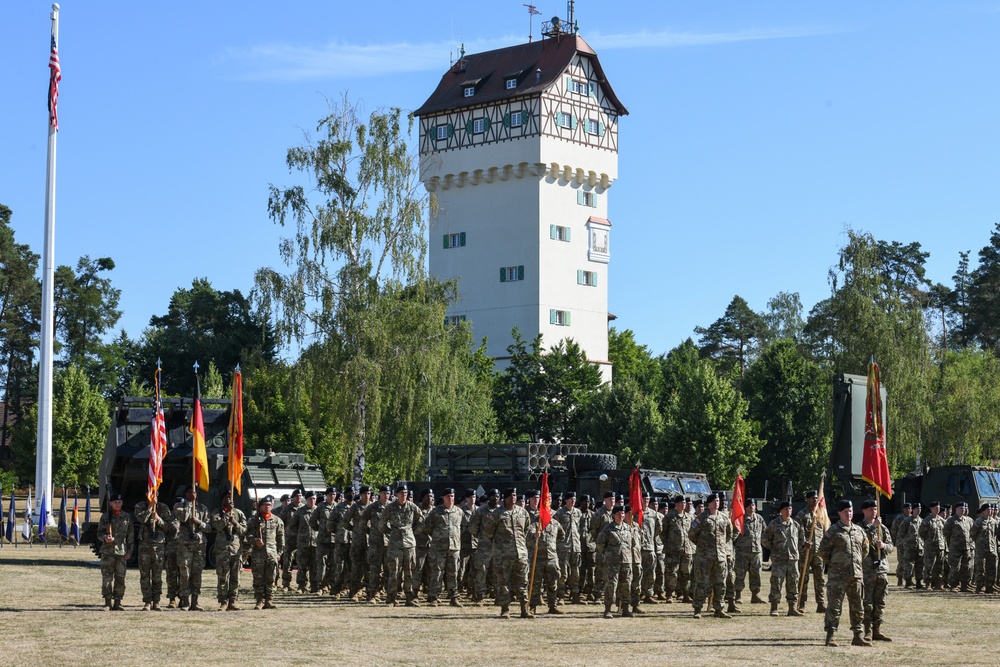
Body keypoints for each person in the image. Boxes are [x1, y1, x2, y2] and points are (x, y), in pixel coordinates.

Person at [817, 499, 870, 647]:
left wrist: (855, 563)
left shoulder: (859, 531)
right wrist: (836, 564)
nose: (849, 514)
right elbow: (823, 552)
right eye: (846, 511)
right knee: (834, 606)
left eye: (851, 511)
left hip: (856, 575)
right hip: (837, 577)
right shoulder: (833, 531)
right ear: (840, 513)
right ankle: (831, 635)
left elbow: (864, 551)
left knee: (857, 606)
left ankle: (858, 635)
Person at [484, 487, 531, 618]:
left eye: (515, 495)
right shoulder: (496, 514)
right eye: (510, 496)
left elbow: (525, 530)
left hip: (520, 553)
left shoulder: (523, 513)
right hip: (502, 554)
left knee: (523, 582)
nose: (513, 498)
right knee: (503, 582)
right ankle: (505, 609)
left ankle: (524, 609)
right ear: (505, 498)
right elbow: (488, 532)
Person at [688, 492, 733, 619]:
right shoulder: (701, 518)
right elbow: (692, 534)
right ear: (709, 503)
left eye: (718, 501)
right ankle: (698, 609)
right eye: (714, 501)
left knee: (720, 584)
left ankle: (719, 609)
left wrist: (721, 547)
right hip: (704, 557)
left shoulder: (724, 518)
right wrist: (703, 547)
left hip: (720, 557)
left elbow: (729, 534)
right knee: (701, 583)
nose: (717, 503)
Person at [381, 484, 423, 607]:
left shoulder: (413, 507)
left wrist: (411, 532)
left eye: (406, 493)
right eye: (402, 493)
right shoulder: (390, 508)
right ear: (397, 494)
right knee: (394, 571)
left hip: (409, 543)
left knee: (410, 571)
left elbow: (421, 522)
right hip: (395, 543)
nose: (404, 495)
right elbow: (381, 524)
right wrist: (391, 533)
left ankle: (410, 598)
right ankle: (391, 598)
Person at [760, 501, 804, 617]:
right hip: (779, 560)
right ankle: (774, 607)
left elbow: (801, 540)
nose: (788, 511)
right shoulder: (774, 524)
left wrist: (794, 550)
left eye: (790, 508)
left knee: (793, 583)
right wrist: (775, 549)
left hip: (793, 559)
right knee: (776, 583)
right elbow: (765, 539)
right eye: (786, 509)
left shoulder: (796, 525)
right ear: (781, 510)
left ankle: (792, 608)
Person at [424, 487, 465, 606]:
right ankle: (433, 597)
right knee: (437, 572)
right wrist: (438, 537)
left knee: (453, 573)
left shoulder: (459, 511)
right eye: (448, 496)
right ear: (443, 498)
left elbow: (462, 527)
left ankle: (454, 597)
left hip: (454, 547)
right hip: (438, 548)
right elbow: (427, 527)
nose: (451, 498)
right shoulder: (436, 512)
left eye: (452, 496)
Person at [526, 489, 565, 615]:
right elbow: (528, 535)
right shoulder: (534, 523)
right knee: (536, 583)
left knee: (553, 583)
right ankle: (532, 606)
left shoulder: (555, 524)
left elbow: (561, 536)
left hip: (552, 558)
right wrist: (535, 535)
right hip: (538, 557)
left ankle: (552, 606)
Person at [134, 491, 174, 611]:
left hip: (158, 546)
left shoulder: (163, 508)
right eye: (151, 492)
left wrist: (159, 519)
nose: (153, 495)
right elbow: (141, 519)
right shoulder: (140, 506)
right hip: (144, 545)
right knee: (145, 575)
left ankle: (156, 601)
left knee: (157, 576)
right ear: (146, 493)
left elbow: (169, 527)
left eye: (155, 493)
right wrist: (150, 506)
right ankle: (147, 601)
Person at [859, 499, 893, 642]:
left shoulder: (883, 528)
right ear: (864, 511)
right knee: (867, 603)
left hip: (881, 570)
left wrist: (884, 546)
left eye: (875, 509)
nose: (873, 512)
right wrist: (872, 528)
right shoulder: (859, 527)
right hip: (867, 570)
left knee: (880, 602)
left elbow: (891, 546)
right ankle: (867, 631)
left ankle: (877, 630)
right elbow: (859, 544)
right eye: (870, 509)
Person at [209, 489, 247, 611]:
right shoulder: (216, 513)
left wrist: (235, 522)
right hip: (222, 550)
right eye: (226, 497)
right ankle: (223, 601)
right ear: (222, 500)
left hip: (236, 549)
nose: (229, 500)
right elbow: (218, 526)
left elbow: (244, 531)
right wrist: (226, 515)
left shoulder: (239, 513)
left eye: (230, 497)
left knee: (235, 577)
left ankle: (233, 601)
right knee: (223, 577)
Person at [173, 485, 210, 611]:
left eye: (194, 492)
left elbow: (209, 528)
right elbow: (182, 517)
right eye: (190, 492)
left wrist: (200, 522)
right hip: (185, 545)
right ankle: (185, 601)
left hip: (199, 545)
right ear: (186, 495)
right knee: (185, 573)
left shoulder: (203, 509)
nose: (192, 494)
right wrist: (189, 504)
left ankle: (195, 601)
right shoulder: (179, 506)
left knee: (197, 573)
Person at [98, 492, 134, 611]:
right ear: (110, 503)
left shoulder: (127, 517)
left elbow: (130, 536)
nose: (117, 504)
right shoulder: (105, 517)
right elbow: (99, 533)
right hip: (108, 552)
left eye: (119, 502)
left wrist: (129, 552)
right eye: (115, 502)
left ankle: (118, 602)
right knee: (107, 578)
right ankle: (107, 602)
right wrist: (105, 538)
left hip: (121, 552)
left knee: (120, 578)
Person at [596, 505, 634, 618]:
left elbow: (633, 544)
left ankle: (625, 608)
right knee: (611, 585)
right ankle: (608, 609)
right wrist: (608, 555)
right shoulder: (608, 529)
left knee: (626, 584)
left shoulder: (628, 528)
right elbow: (600, 544)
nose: (621, 515)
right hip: (612, 562)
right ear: (613, 515)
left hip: (626, 561)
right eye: (618, 513)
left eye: (622, 513)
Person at [247, 495, 284, 609]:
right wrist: (255, 540)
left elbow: (281, 538)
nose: (267, 507)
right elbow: (248, 535)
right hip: (258, 554)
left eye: (269, 505)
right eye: (265, 505)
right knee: (258, 578)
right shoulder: (254, 520)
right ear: (261, 506)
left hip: (272, 554)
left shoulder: (277, 520)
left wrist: (279, 554)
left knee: (271, 578)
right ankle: (259, 601)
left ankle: (269, 600)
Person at [795, 490, 827, 613]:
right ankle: (801, 603)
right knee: (804, 577)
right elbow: (799, 531)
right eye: (813, 498)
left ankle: (821, 603)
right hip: (806, 552)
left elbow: (825, 531)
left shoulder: (821, 514)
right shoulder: (802, 515)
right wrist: (804, 543)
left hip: (818, 552)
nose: (815, 500)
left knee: (820, 578)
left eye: (816, 498)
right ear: (807, 499)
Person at [468, 489, 499, 604]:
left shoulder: (501, 511)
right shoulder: (481, 511)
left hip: (498, 547)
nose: (495, 498)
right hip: (484, 547)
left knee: (497, 572)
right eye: (493, 496)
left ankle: (497, 594)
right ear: (489, 497)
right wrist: (482, 536)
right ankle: (479, 595)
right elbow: (472, 527)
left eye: (497, 496)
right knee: (481, 570)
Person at [554, 491, 585, 604]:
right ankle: (561, 595)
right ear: (566, 500)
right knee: (563, 573)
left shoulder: (578, 513)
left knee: (575, 573)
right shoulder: (560, 513)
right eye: (571, 499)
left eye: (575, 499)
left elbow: (581, 528)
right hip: (563, 547)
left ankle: (575, 594)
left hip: (576, 547)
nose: (573, 501)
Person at [360, 485, 390, 603]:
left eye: (388, 493)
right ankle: (373, 594)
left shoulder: (393, 507)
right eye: (384, 493)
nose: (386, 495)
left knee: (389, 570)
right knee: (374, 570)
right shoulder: (372, 508)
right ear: (379, 494)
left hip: (389, 543)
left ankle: (389, 595)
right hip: (375, 543)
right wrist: (371, 532)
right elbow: (362, 523)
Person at [662, 495, 693, 603]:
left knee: (686, 573)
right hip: (673, 550)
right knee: (672, 573)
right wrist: (668, 545)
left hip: (687, 550)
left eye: (684, 503)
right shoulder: (669, 517)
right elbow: (663, 533)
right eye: (680, 503)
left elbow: (693, 532)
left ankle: (685, 594)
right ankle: (669, 594)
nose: (683, 505)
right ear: (676, 504)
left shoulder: (690, 517)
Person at [734, 497, 765, 605]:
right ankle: (738, 595)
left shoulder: (759, 519)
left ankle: (755, 595)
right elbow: (733, 535)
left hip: (756, 552)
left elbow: (765, 533)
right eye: (750, 505)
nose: (752, 507)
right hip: (742, 552)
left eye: (754, 505)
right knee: (740, 574)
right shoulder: (740, 520)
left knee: (756, 574)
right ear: (746, 507)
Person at [327, 487, 355, 597]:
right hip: (341, 541)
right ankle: (336, 588)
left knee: (352, 566)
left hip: (353, 541)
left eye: (353, 493)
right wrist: (337, 533)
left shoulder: (356, 507)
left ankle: (347, 588)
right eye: (349, 493)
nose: (351, 495)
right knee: (339, 566)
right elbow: (330, 524)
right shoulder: (339, 508)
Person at [345, 485, 371, 599]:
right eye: (365, 493)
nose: (367, 495)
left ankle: (370, 592)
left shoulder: (373, 507)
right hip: (358, 541)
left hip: (371, 541)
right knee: (356, 567)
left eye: (369, 493)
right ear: (360, 495)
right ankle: (354, 591)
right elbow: (345, 521)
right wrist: (354, 529)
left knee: (370, 568)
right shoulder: (355, 507)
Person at [943, 501, 974, 591]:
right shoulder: (951, 520)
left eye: (964, 508)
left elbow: (971, 533)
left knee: (966, 567)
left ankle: (964, 585)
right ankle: (953, 585)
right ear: (956, 509)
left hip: (966, 548)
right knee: (955, 567)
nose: (962, 510)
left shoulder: (968, 520)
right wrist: (952, 543)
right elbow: (945, 533)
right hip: (955, 548)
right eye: (961, 508)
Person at [311, 487, 337, 593]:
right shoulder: (320, 507)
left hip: (335, 540)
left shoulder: (338, 507)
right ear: (326, 495)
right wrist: (320, 529)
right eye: (330, 494)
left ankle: (330, 584)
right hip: (323, 540)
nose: (332, 496)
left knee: (334, 564)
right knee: (321, 563)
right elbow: (312, 521)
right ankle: (320, 585)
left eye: (334, 494)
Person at [919, 501, 947, 590]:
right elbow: (922, 533)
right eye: (936, 508)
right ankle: (928, 584)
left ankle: (938, 584)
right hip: (930, 547)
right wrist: (929, 541)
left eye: (938, 508)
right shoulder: (927, 521)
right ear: (931, 509)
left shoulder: (942, 520)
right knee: (929, 566)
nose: (938, 509)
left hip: (940, 547)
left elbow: (946, 532)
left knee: (940, 566)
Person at [897, 502, 924, 588]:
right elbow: (901, 532)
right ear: (913, 510)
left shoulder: (922, 521)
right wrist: (906, 541)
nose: (918, 510)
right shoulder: (907, 520)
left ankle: (919, 582)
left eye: (920, 509)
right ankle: (908, 582)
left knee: (919, 565)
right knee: (909, 564)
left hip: (920, 547)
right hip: (909, 547)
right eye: (917, 509)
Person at [279, 488, 301, 590]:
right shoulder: (287, 509)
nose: (299, 498)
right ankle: (286, 583)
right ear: (293, 498)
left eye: (300, 496)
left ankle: (302, 584)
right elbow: (280, 523)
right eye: (297, 496)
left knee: (301, 561)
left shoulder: (303, 508)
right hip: (289, 539)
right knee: (287, 561)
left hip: (302, 539)